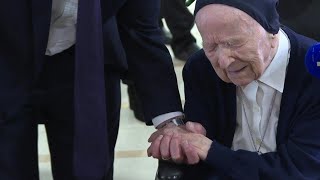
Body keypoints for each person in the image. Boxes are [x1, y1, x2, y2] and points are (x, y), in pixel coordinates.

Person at [0, 0, 183, 179]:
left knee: (87, 165)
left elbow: (141, 31)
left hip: (89, 57)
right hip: (8, 56)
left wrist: (170, 123)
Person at [147, 0, 320, 179]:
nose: (223, 61)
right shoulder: (200, 68)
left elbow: (302, 170)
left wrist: (211, 151)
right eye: (211, 46)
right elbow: (200, 160)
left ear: (272, 31)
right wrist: (181, 143)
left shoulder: (314, 72)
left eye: (234, 43)